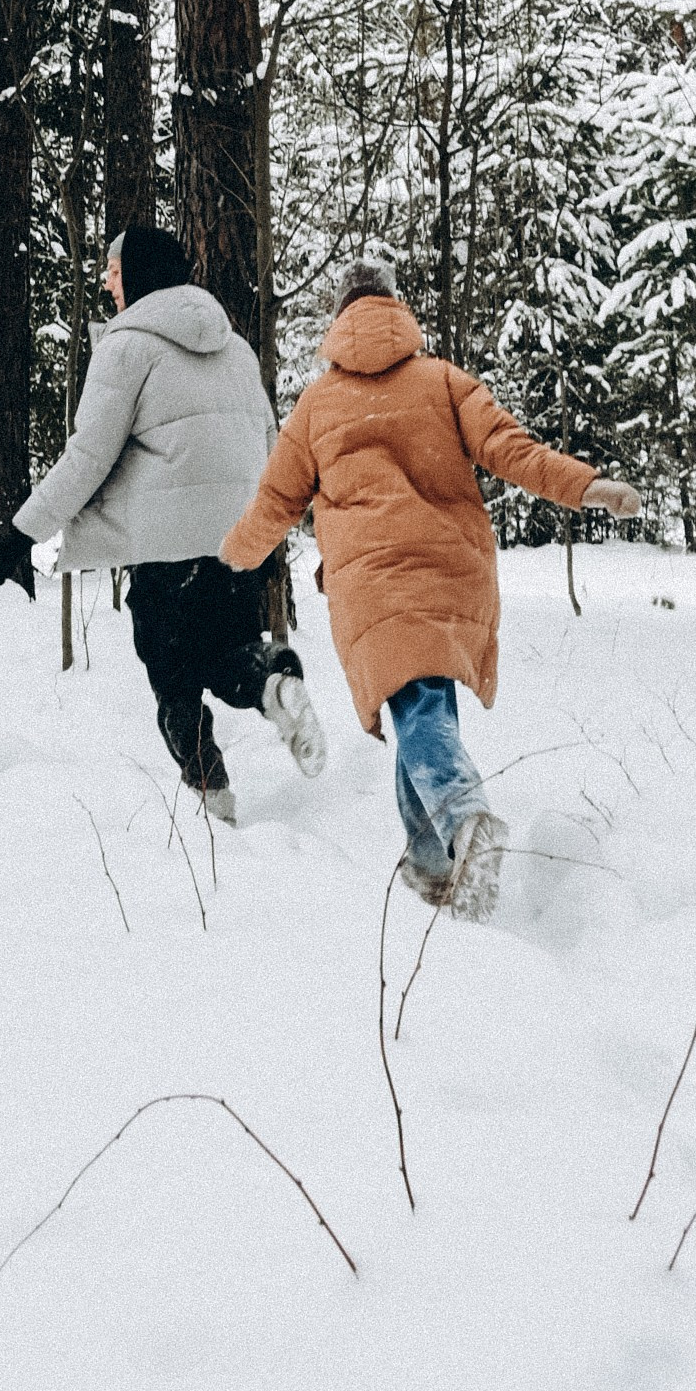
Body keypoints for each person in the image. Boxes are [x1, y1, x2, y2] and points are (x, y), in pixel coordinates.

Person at [220, 257, 637, 919]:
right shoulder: (442, 381)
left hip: (371, 586)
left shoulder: (315, 406)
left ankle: (464, 818)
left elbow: (274, 503)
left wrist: (228, 558)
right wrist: (587, 486)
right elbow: (514, 452)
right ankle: (430, 869)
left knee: (415, 708)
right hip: (449, 574)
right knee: (419, 705)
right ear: (393, 309)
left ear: (338, 320)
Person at [15, 221, 329, 823]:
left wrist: (24, 529)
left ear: (138, 275)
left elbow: (89, 455)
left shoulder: (126, 347)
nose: (109, 285)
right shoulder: (235, 348)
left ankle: (213, 796)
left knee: (173, 676)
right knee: (231, 651)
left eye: (114, 272)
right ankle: (271, 684)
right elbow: (272, 443)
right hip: (244, 540)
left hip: (168, 549)